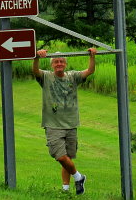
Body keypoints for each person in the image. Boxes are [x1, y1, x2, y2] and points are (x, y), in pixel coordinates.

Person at [32, 47, 97, 195]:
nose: (59, 64)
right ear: (51, 65)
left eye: (61, 61)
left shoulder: (72, 76)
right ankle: (78, 177)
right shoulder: (46, 77)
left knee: (67, 158)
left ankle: (65, 189)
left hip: (71, 123)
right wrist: (36, 58)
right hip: (53, 124)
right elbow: (35, 71)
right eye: (56, 62)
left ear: (65, 64)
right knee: (59, 155)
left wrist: (92, 56)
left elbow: (90, 71)